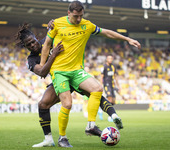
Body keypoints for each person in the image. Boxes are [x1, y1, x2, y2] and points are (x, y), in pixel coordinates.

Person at [40, 1, 141, 147]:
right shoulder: (57, 24)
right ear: (69, 13)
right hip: (59, 71)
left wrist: (127, 39)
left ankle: (91, 125)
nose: (79, 19)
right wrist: (43, 67)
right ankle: (62, 137)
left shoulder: (87, 25)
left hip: (76, 70)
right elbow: (47, 44)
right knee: (67, 104)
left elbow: (106, 32)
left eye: (81, 16)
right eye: (76, 16)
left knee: (97, 89)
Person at [15, 23, 123, 147]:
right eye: (29, 45)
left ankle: (112, 115)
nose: (33, 45)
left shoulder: (49, 39)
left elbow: (64, 28)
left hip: (72, 73)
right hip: (60, 80)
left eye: (33, 41)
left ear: (35, 37)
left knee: (94, 92)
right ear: (25, 46)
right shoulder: (31, 59)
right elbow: (42, 72)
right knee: (43, 104)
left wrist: (53, 24)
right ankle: (49, 139)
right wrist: (53, 54)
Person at [100, 54, 120, 122]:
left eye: (111, 58)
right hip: (106, 84)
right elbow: (101, 77)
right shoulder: (104, 67)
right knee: (110, 99)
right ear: (106, 59)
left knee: (114, 101)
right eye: (109, 58)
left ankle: (101, 110)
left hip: (112, 85)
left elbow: (115, 76)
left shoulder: (113, 66)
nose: (110, 60)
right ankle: (110, 116)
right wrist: (101, 85)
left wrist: (118, 85)